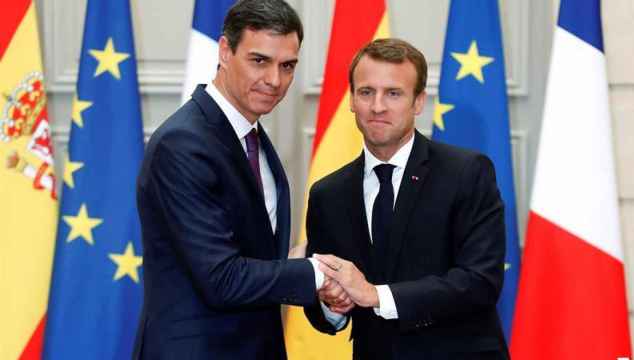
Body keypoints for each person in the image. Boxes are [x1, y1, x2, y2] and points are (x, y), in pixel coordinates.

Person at [133, 1, 338, 358]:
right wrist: (316, 274)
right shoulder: (183, 143)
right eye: (259, 61)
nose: (275, 80)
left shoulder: (249, 136)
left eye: (287, 66)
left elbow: (250, 250)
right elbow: (221, 279)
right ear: (225, 51)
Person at [303, 38, 510, 360]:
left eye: (394, 93)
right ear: (352, 101)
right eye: (366, 92)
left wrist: (375, 295)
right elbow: (323, 314)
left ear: (418, 102)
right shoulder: (328, 194)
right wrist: (333, 303)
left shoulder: (467, 172)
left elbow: (480, 282)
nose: (377, 106)